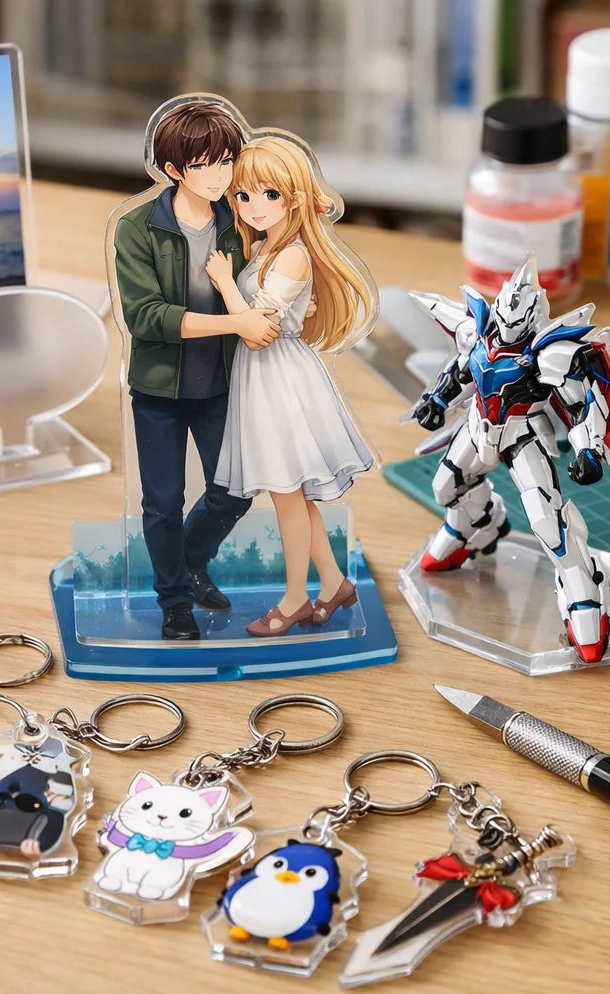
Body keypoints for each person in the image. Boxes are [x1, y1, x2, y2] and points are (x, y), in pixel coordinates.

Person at [113, 101, 284, 641]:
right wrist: (237, 322)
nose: (219, 175)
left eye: (226, 161)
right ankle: (175, 603)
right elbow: (145, 317)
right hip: (159, 390)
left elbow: (283, 249)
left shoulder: (241, 219)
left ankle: (190, 563)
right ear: (173, 169)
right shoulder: (137, 227)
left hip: (224, 384)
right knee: (162, 503)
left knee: (235, 490)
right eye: (203, 165)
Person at [205, 137, 376, 636]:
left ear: (294, 198)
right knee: (295, 498)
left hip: (279, 377)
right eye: (243, 196)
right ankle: (335, 584)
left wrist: (226, 282)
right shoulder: (265, 248)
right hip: (263, 378)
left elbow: (258, 330)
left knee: (286, 495)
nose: (254, 206)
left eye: (269, 195)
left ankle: (295, 599)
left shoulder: (293, 257)